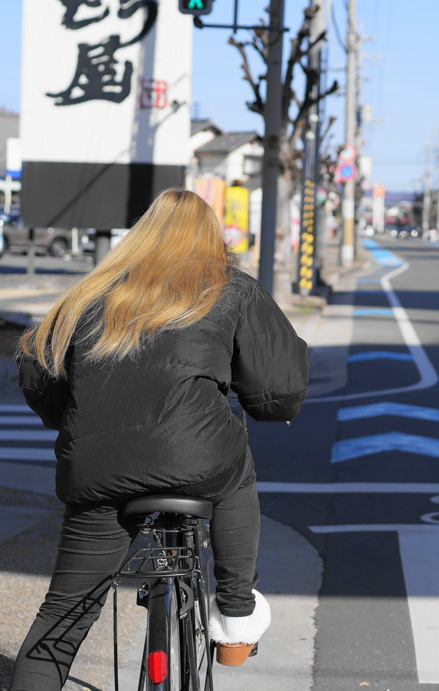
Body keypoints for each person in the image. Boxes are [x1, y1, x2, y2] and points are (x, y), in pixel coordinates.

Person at [10, 188, 309, 690]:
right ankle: (235, 616)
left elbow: (39, 371)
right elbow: (276, 388)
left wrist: (75, 413)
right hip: (195, 455)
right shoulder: (230, 288)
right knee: (235, 469)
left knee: (61, 619)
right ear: (211, 240)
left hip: (98, 465)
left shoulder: (93, 292)